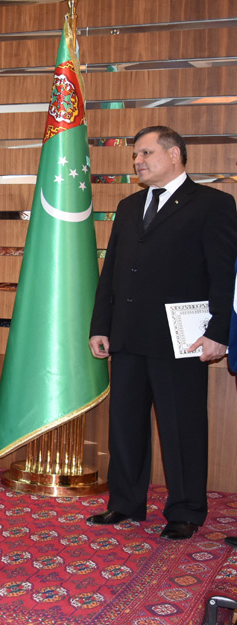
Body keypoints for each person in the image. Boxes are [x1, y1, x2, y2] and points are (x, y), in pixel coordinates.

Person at [87, 126, 237, 540]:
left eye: (146, 153)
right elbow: (111, 272)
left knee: (181, 425)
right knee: (125, 425)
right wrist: (101, 326)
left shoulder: (213, 204)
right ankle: (125, 502)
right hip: (129, 336)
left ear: (174, 154)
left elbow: (224, 277)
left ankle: (186, 511)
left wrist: (218, 333)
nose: (138, 161)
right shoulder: (130, 205)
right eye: (135, 155)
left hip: (182, 338)